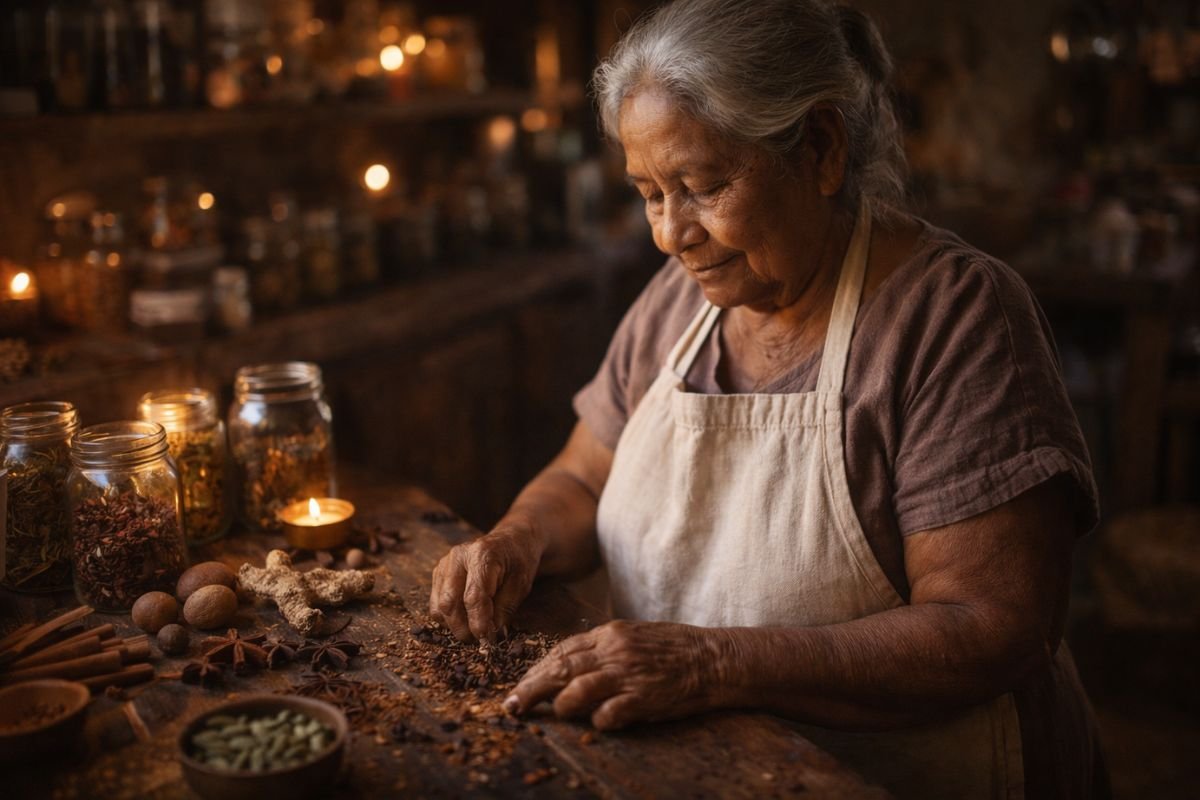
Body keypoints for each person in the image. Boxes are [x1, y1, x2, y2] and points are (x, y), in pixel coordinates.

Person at [430, 1, 1108, 796]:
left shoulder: (953, 317)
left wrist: (712, 663)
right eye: (649, 192)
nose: (669, 234)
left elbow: (990, 628)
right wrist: (518, 540)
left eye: (703, 186)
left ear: (820, 148)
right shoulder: (679, 302)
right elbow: (581, 478)